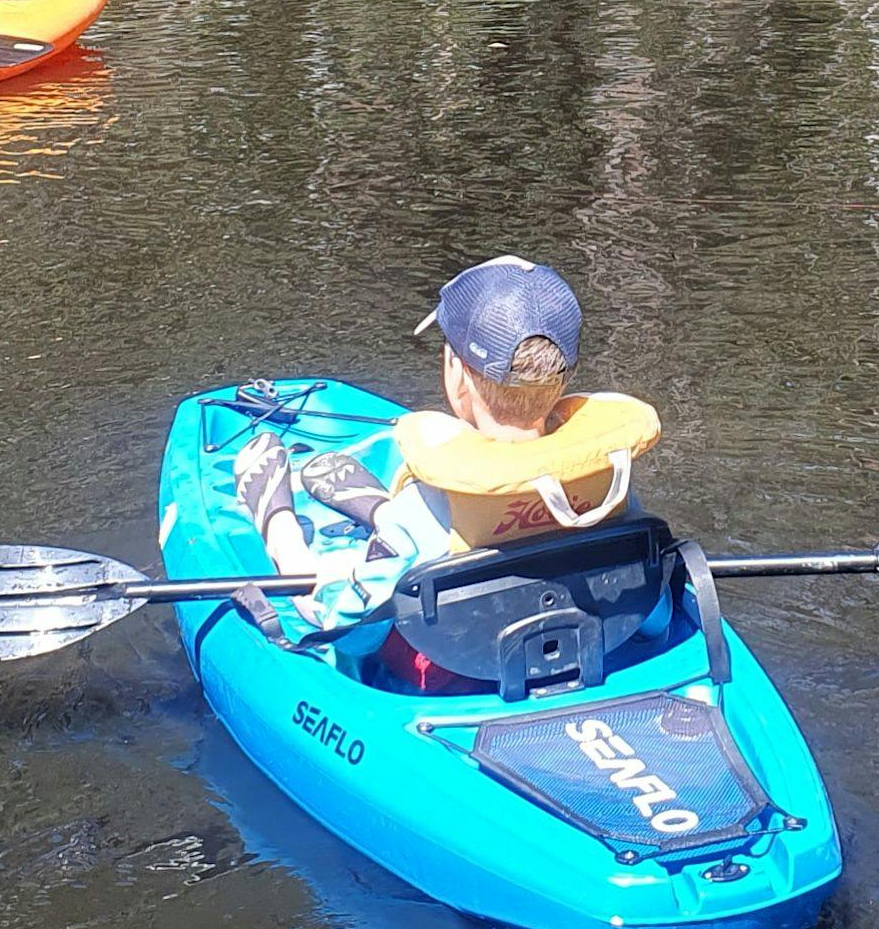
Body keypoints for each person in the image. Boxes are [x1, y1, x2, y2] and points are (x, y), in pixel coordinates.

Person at [235, 256, 661, 650]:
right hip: (577, 645)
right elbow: (653, 617)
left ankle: (287, 524)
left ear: (456, 375)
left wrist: (289, 547)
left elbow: (348, 630)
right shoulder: (606, 479)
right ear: (564, 377)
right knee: (414, 531)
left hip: (453, 671)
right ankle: (384, 518)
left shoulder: (430, 507)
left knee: (352, 562)